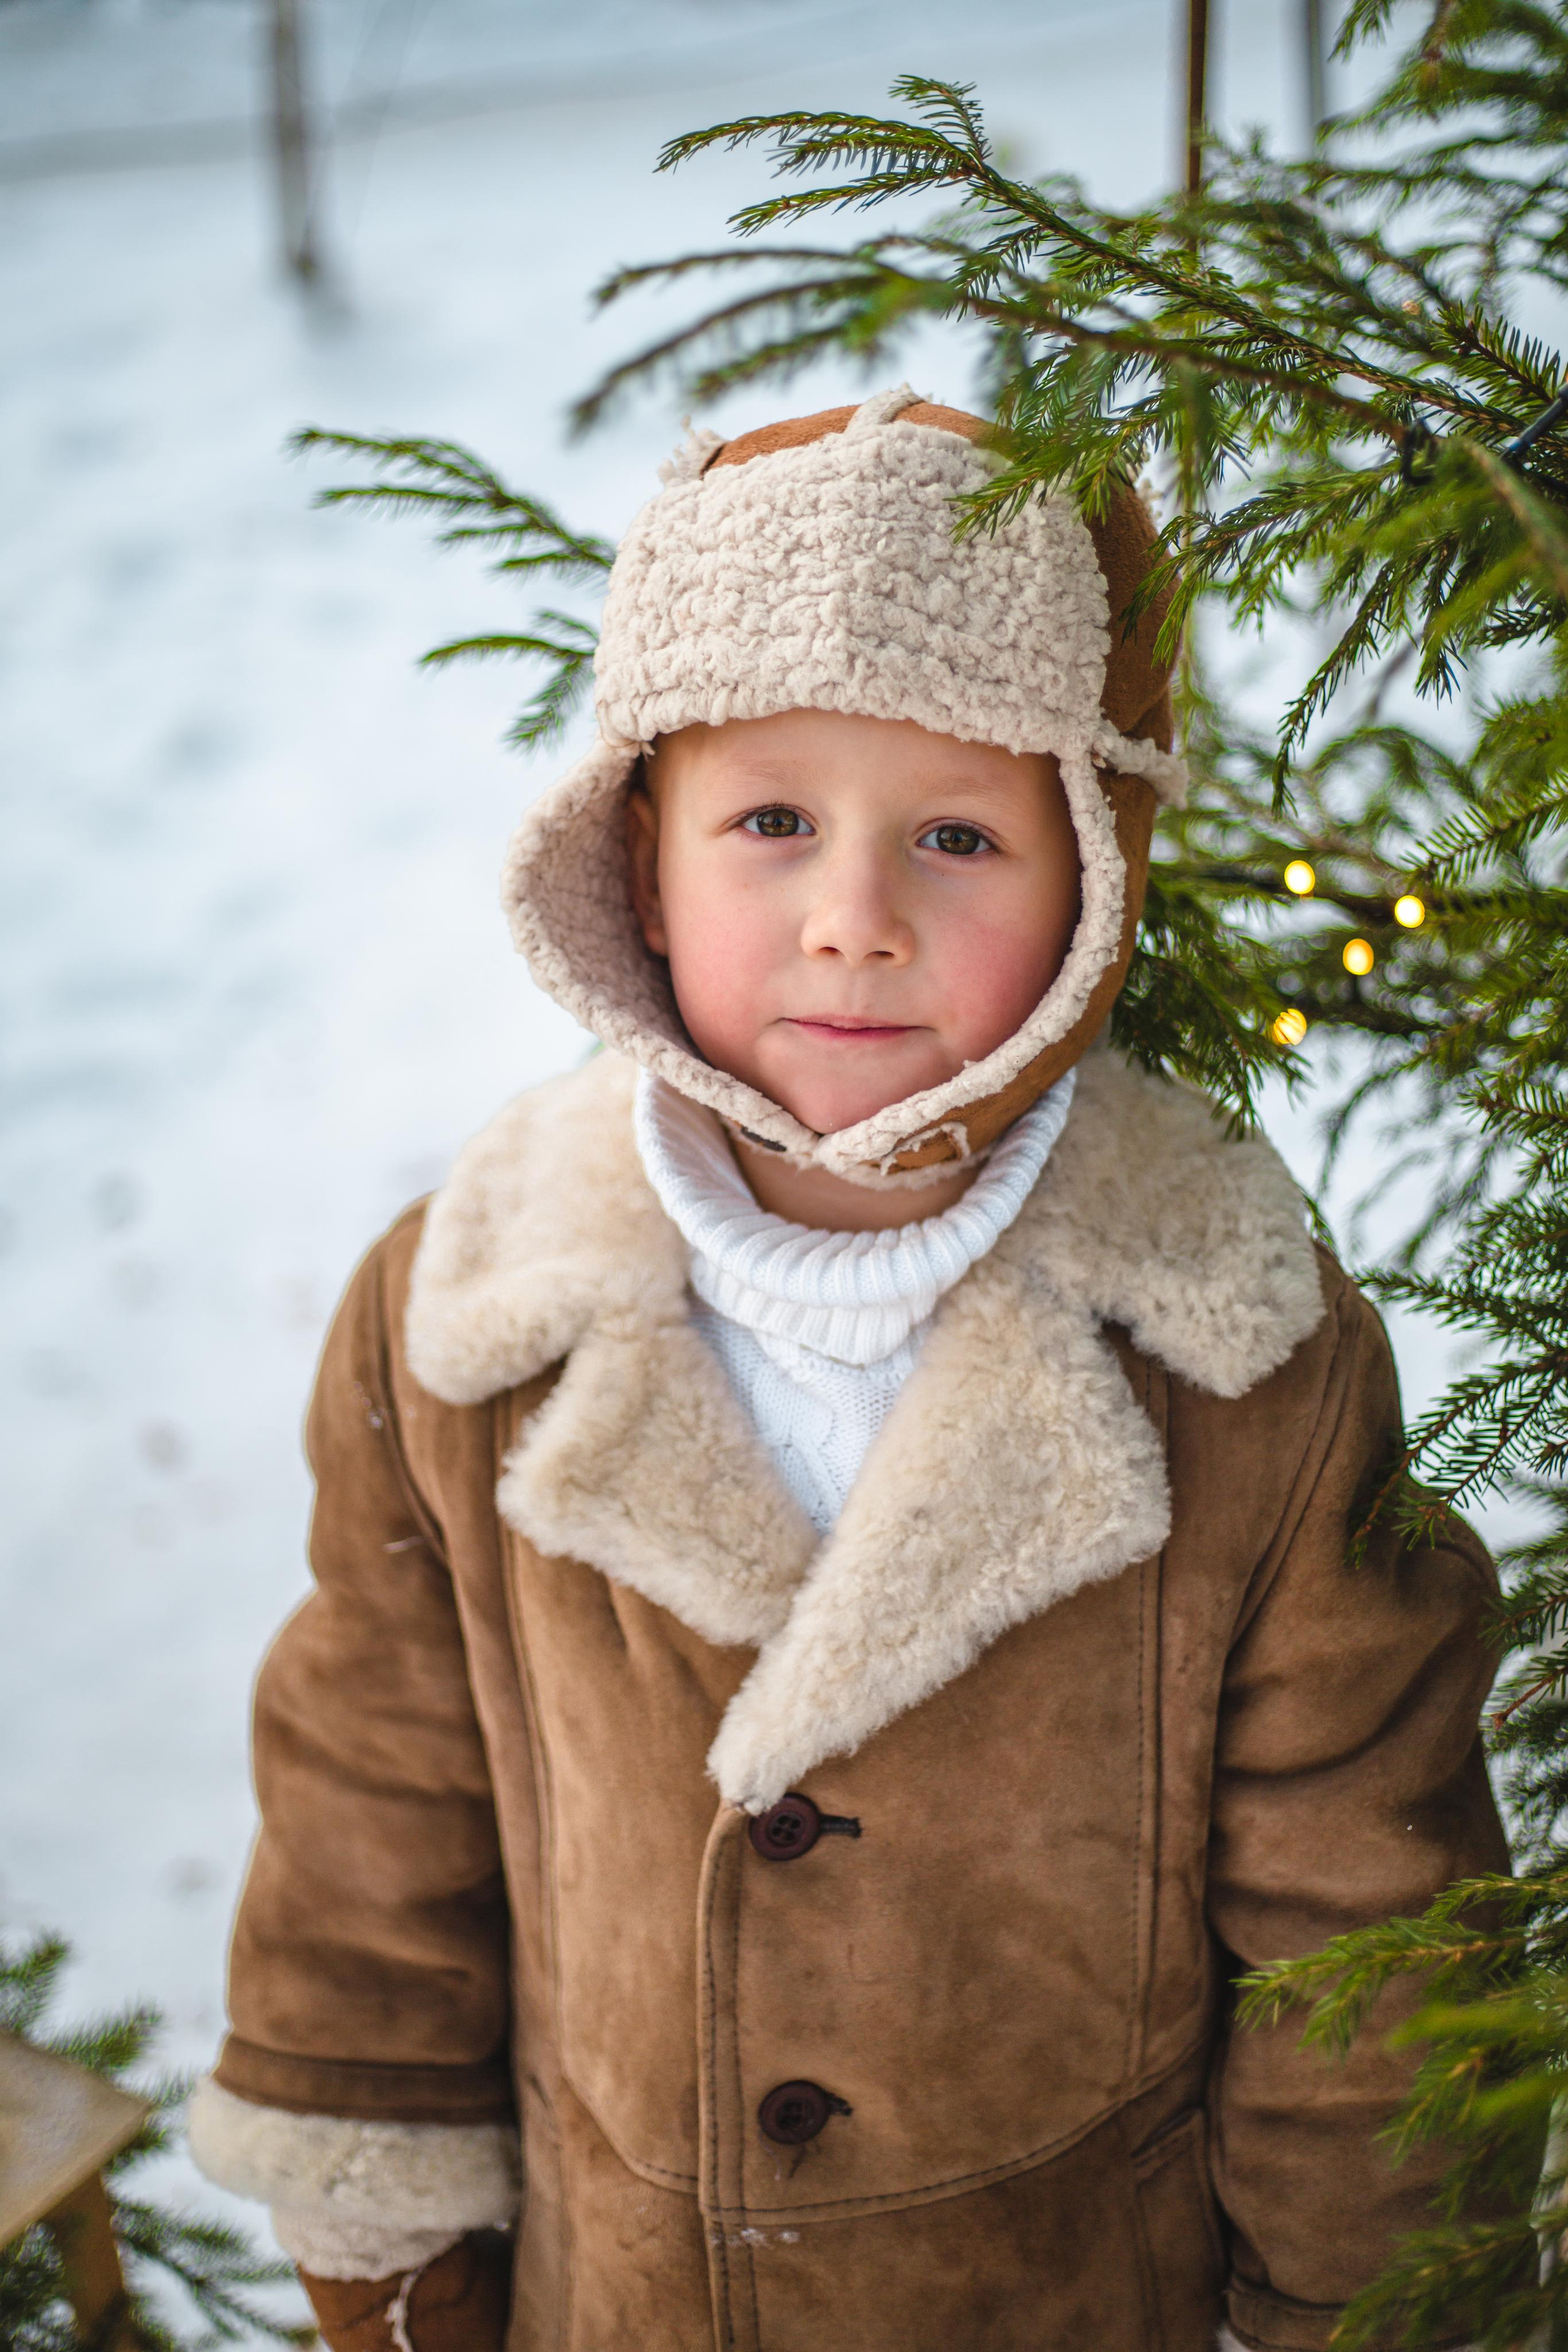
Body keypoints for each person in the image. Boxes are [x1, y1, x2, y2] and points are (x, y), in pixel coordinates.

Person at [188, 390, 1506, 2352]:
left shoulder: (1249, 1369)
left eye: (959, 834)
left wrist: (1359, 2310)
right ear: (641, 862)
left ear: (1093, 887)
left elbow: (1365, 1947)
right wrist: (385, 2250)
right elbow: (377, 1798)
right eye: (772, 822)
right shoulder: (462, 1322)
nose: (856, 921)